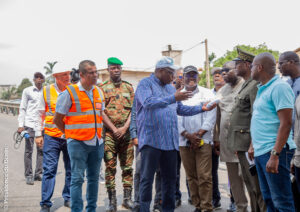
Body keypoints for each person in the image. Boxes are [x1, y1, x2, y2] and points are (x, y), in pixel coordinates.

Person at [135, 56, 214, 212]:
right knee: (146, 179)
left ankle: (168, 209)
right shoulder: (146, 84)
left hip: (170, 143)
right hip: (151, 140)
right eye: (170, 73)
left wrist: (201, 108)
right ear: (160, 71)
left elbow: (180, 109)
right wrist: (173, 97)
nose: (173, 77)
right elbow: (148, 103)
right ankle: (144, 208)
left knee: (170, 180)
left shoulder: (171, 89)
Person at [53, 60, 106, 212]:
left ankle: (91, 209)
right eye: (91, 72)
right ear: (81, 74)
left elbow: (100, 114)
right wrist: (70, 134)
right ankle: (76, 209)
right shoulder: (69, 93)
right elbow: (57, 119)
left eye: (96, 72)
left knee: (94, 179)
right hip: (77, 144)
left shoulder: (98, 92)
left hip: (97, 143)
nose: (95, 75)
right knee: (77, 179)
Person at [250, 52, 296, 212]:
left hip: (275, 151)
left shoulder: (279, 87)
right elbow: (260, 119)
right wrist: (252, 145)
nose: (250, 70)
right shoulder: (263, 88)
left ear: (259, 67)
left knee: (282, 202)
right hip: (262, 151)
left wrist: (275, 155)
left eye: (252, 66)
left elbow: (286, 122)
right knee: (269, 199)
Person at [228, 48, 266, 212]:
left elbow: (255, 116)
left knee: (258, 188)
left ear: (247, 64)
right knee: (250, 187)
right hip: (241, 144)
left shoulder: (255, 86)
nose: (234, 67)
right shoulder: (246, 85)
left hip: (249, 145)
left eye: (237, 64)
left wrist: (252, 144)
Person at [178, 65, 216, 212]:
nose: (191, 78)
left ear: (198, 77)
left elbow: (211, 116)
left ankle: (207, 207)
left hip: (203, 140)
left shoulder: (207, 94)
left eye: (194, 75)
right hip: (184, 141)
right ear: (183, 78)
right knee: (191, 176)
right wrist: (187, 135)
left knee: (205, 176)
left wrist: (198, 135)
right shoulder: (178, 94)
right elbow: (176, 118)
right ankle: (197, 205)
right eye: (188, 75)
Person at [99, 57, 135, 211]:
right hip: (109, 135)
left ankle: (127, 199)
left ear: (121, 69)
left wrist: (125, 128)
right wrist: (114, 129)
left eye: (118, 68)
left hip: (126, 133)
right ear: (108, 69)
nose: (115, 70)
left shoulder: (128, 88)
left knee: (127, 167)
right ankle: (112, 201)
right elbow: (100, 112)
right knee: (110, 167)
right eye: (112, 68)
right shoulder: (102, 88)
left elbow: (134, 111)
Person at [35, 68, 71, 212]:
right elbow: (40, 113)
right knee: (49, 170)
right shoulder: (46, 90)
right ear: (56, 77)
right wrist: (38, 134)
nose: (67, 77)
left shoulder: (73, 90)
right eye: (64, 75)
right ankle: (45, 203)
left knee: (71, 169)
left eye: (68, 74)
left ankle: (68, 197)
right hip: (51, 136)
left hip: (70, 137)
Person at [214, 65, 248, 212]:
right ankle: (241, 208)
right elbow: (218, 116)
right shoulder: (222, 91)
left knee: (248, 178)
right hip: (227, 142)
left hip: (244, 142)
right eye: (223, 72)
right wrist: (216, 139)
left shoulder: (246, 86)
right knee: (234, 181)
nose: (225, 74)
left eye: (228, 71)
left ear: (237, 70)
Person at [18, 72, 45, 185]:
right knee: (28, 151)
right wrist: (20, 125)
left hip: (41, 126)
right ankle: (28, 175)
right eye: (36, 78)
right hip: (29, 125)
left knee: (41, 150)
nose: (38, 79)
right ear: (34, 80)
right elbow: (23, 108)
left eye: (40, 78)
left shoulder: (46, 91)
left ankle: (38, 173)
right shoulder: (27, 91)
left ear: (43, 80)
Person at [210, 67, 225, 209]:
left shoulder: (229, 93)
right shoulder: (209, 94)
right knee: (212, 171)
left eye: (220, 74)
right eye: (215, 75)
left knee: (235, 174)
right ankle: (215, 199)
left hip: (228, 137)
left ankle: (234, 201)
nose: (217, 76)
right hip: (212, 138)